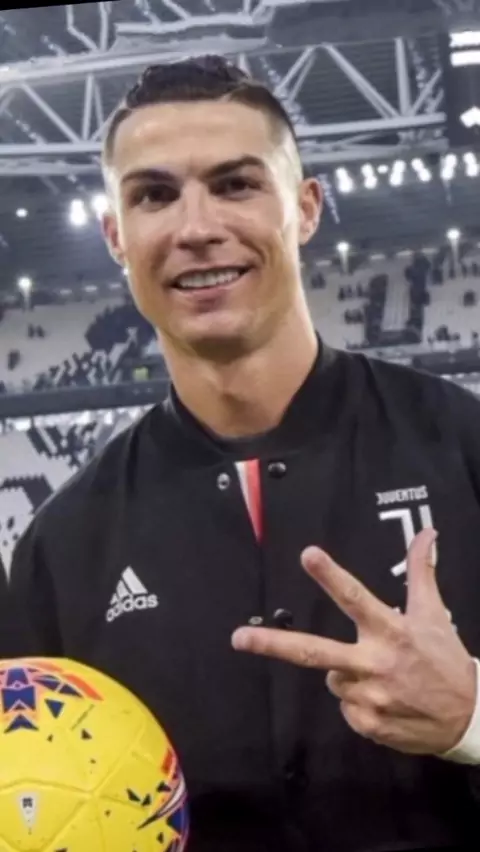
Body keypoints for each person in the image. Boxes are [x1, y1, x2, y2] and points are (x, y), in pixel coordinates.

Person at [6, 56, 480, 852]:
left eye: (235, 184)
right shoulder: (63, 547)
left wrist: (471, 717)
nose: (195, 228)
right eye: (154, 195)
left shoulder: (462, 447)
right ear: (116, 236)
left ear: (306, 208)